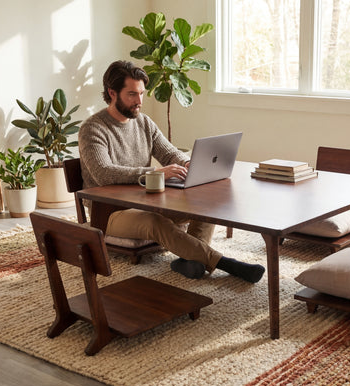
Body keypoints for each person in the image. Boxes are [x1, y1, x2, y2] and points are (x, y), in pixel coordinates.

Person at [78, 60, 265, 283]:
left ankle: (191, 261)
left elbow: (170, 153)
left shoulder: (144, 122)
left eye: (142, 93)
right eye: (132, 94)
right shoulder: (92, 129)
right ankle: (227, 264)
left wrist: (189, 165)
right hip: (110, 213)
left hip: (147, 201)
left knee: (207, 204)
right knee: (154, 222)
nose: (139, 101)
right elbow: (104, 174)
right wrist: (155, 173)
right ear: (112, 93)